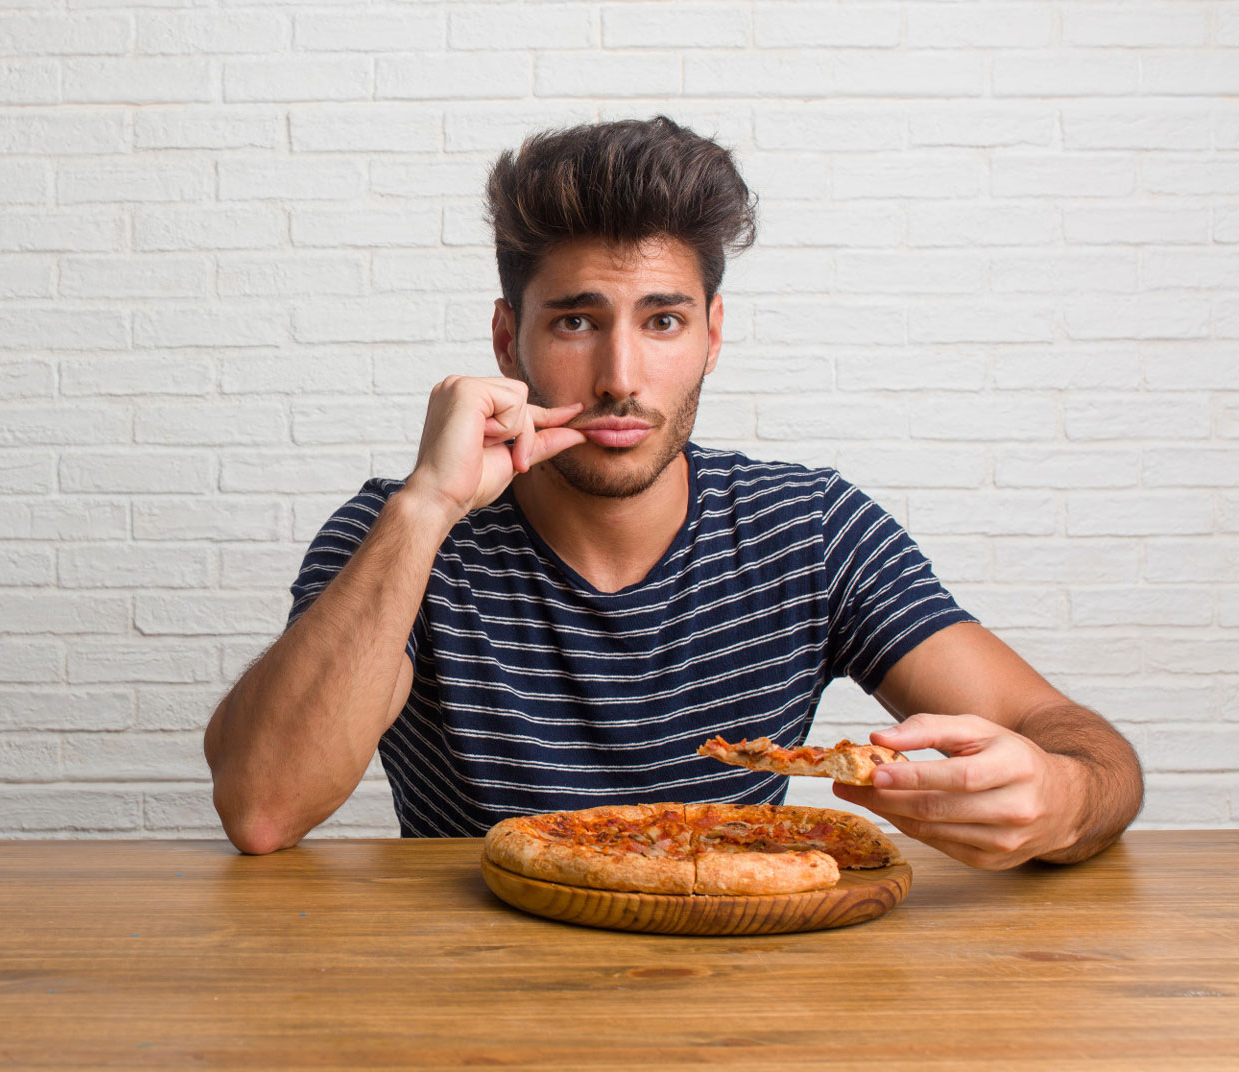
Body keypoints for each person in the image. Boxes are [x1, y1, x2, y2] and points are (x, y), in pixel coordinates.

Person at [203, 116, 1143, 868]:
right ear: (506, 341)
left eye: (662, 320)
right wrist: (424, 508)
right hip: (474, 992)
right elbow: (263, 808)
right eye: (576, 320)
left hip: (741, 990)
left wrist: (1057, 801)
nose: (620, 376)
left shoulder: (809, 531)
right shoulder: (396, 532)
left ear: (712, 334)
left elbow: (1082, 747)